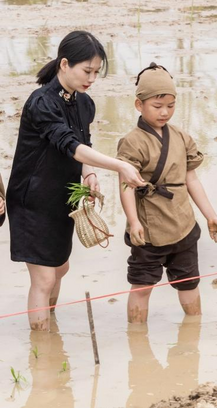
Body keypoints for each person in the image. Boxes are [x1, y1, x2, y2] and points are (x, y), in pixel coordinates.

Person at [7, 30, 145, 331]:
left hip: (62, 198)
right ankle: (42, 352)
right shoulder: (41, 102)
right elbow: (68, 144)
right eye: (87, 71)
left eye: (96, 72)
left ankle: (49, 329)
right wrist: (119, 166)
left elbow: (84, 144)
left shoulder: (84, 104)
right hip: (33, 199)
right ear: (65, 64)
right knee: (43, 277)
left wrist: (91, 172)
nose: (91, 78)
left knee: (60, 268)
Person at [117, 63, 217, 323]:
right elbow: (125, 185)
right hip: (149, 229)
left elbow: (192, 179)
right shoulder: (132, 141)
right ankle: (137, 340)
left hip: (183, 223)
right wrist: (133, 222)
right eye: (157, 106)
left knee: (189, 283)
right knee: (142, 285)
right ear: (139, 105)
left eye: (171, 105)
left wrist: (210, 215)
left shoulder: (181, 137)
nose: (165, 112)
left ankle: (193, 333)